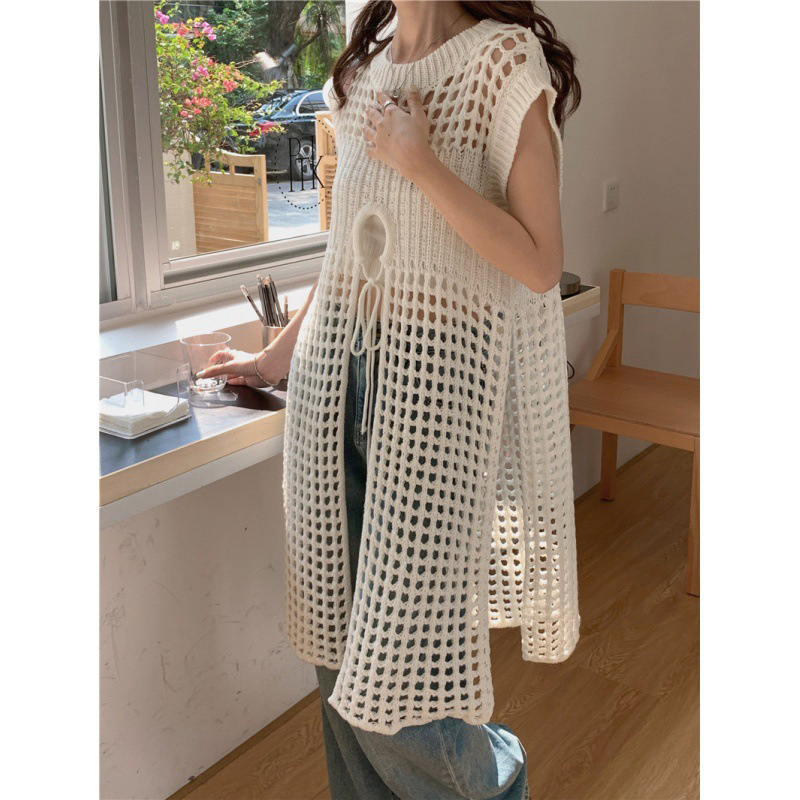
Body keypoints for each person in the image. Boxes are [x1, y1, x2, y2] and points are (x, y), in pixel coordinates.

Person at [199, 2, 582, 798]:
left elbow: (541, 262)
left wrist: (422, 164)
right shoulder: (363, 74)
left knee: (397, 682)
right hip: (334, 388)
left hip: (437, 400)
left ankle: (497, 777)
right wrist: (273, 358)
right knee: (333, 649)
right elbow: (345, 254)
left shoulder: (502, 63)